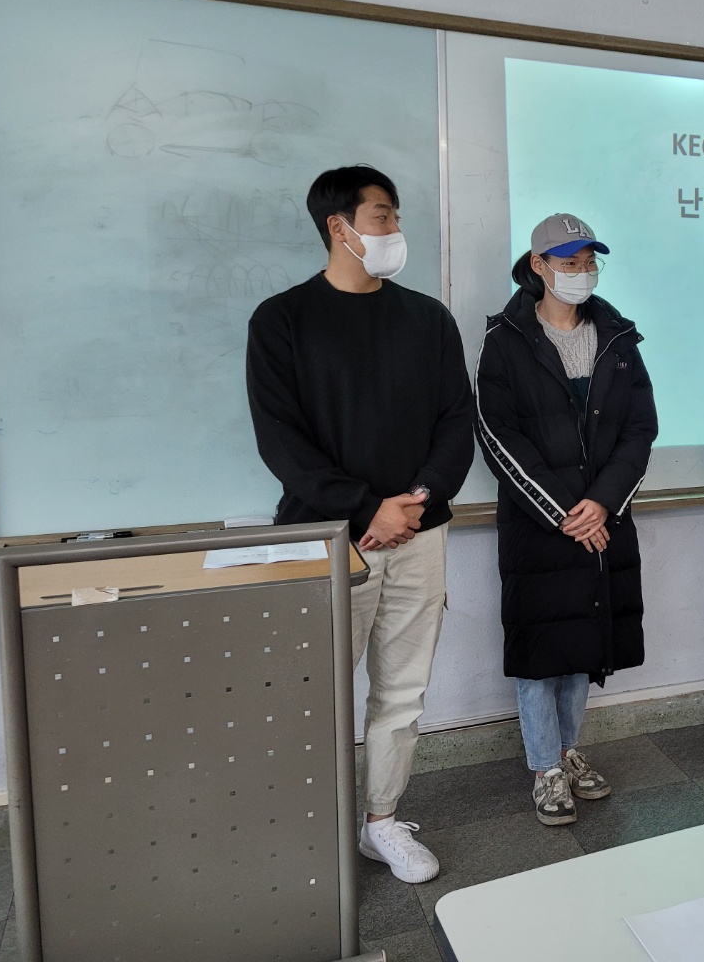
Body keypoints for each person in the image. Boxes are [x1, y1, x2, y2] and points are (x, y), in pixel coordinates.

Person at [246, 165, 475, 883]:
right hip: (326, 538)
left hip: (419, 533)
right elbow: (280, 440)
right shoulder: (282, 320)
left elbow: (456, 421)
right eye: (382, 216)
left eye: (396, 216)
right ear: (338, 226)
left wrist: (416, 500)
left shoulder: (428, 318)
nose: (395, 230)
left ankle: (381, 822)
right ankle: (310, 831)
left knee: (402, 691)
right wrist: (364, 506)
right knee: (314, 693)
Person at [476, 213, 657, 825]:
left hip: (602, 520)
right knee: (540, 652)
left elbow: (640, 429)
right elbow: (497, 436)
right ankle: (544, 768)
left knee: (584, 645)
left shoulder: (617, 338)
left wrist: (602, 503)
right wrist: (565, 513)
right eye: (569, 262)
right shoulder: (505, 339)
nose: (582, 272)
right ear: (538, 266)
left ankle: (568, 750)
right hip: (539, 524)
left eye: (589, 262)